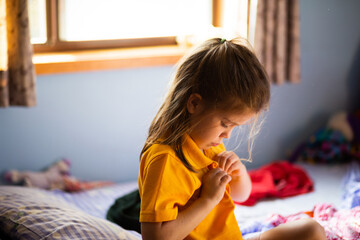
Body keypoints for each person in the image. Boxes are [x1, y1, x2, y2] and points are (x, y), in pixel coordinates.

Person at [138, 38, 326, 240]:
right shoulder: (165, 159)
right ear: (194, 103)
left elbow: (240, 195)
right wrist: (208, 200)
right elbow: (155, 237)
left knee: (311, 230)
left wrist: (239, 173)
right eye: (225, 124)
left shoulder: (208, 146)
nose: (227, 135)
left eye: (234, 127)